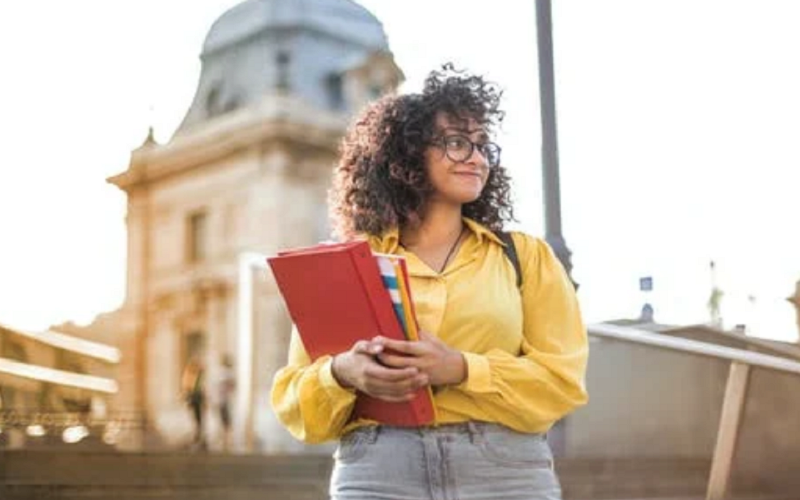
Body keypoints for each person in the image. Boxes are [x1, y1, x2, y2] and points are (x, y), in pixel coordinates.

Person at [271, 64, 588, 500]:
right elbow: (295, 401)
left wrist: (460, 368)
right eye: (457, 143)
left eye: (482, 146)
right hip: (378, 471)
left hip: (504, 471)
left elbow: (563, 382)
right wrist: (344, 372)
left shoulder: (525, 257)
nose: (477, 158)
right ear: (407, 154)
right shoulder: (348, 265)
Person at [181, 356, 206, 450]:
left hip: (196, 399)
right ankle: (197, 437)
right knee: (197, 419)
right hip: (195, 399)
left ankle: (198, 436)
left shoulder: (194, 375)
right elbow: (188, 388)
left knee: (198, 419)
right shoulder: (191, 375)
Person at [217, 353, 236, 451]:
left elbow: (232, 385)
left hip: (225, 400)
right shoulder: (224, 372)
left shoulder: (227, 373)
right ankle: (225, 440)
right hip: (222, 400)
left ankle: (227, 440)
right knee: (224, 420)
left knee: (226, 420)